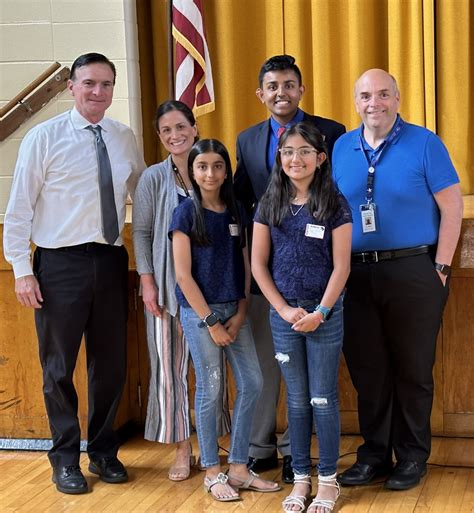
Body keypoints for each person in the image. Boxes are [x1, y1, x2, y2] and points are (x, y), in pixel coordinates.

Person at [3, 53, 146, 494]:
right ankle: (65, 458)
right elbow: (19, 209)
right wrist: (22, 271)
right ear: (71, 85)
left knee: (111, 366)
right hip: (58, 265)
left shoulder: (124, 138)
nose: (97, 92)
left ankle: (104, 452)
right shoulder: (43, 138)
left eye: (105, 84)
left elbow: (141, 200)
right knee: (58, 368)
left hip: (109, 260)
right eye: (89, 83)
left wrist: (148, 263)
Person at [333, 69, 463, 491]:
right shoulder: (340, 148)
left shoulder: (426, 143)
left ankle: (411, 457)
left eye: (384, 94)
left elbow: (453, 209)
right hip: (354, 274)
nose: (376, 103)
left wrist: (441, 267)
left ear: (398, 98)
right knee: (368, 369)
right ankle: (373, 455)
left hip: (413, 270)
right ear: (356, 103)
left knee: (413, 369)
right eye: (367, 96)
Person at [234, 54, 346, 483]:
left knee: (321, 391)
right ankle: (284, 458)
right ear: (261, 93)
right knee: (283, 380)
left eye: (288, 84)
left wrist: (324, 305)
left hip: (324, 280)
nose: (281, 92)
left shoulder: (333, 133)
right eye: (272, 86)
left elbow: (342, 195)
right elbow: (238, 194)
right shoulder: (247, 140)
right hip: (276, 280)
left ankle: (321, 469)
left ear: (301, 89)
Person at [170, 139, 280, 502]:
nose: (210, 173)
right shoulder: (185, 212)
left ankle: (237, 467)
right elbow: (184, 276)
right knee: (211, 388)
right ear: (193, 171)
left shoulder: (236, 210)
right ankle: (213, 472)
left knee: (252, 382)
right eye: (202, 166)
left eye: (218, 166)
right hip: (202, 314)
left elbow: (247, 265)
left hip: (236, 311)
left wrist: (242, 311)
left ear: (226, 171)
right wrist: (213, 322)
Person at [252, 122, 352, 512]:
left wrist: (321, 312)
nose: (296, 158)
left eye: (305, 152)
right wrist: (283, 309)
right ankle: (300, 480)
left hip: (324, 316)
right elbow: (259, 265)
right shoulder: (269, 203)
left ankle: (328, 481)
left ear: (320, 158)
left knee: (322, 398)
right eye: (288, 151)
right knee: (295, 401)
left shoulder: (334, 204)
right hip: (285, 317)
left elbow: (341, 268)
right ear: (280, 158)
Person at [132, 100, 230, 481]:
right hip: (169, 295)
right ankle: (181, 449)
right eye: (166, 130)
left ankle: (212, 448)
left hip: (211, 295)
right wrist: (147, 281)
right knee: (169, 373)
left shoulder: (213, 170)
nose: (175, 135)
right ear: (160, 137)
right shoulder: (153, 179)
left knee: (212, 374)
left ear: (195, 128)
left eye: (181, 127)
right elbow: (141, 233)